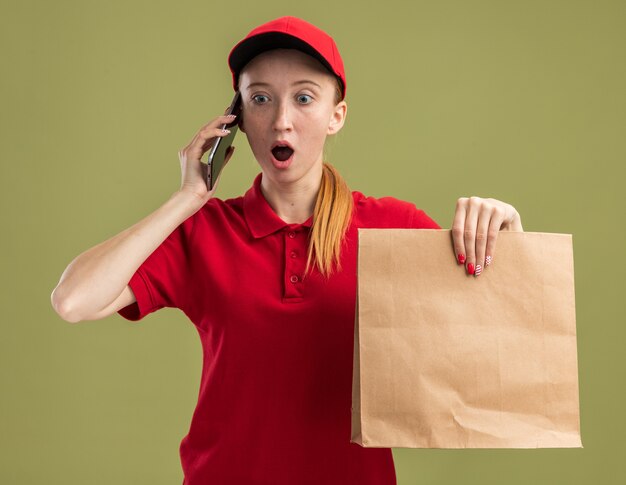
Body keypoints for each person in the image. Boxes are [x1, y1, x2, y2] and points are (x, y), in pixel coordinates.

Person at [51, 16, 523, 485]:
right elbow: (74, 301)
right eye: (260, 99)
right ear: (236, 120)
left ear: (336, 114)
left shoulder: (390, 226)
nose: (281, 121)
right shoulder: (205, 231)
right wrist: (186, 199)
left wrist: (510, 236)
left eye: (303, 98)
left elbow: (501, 339)